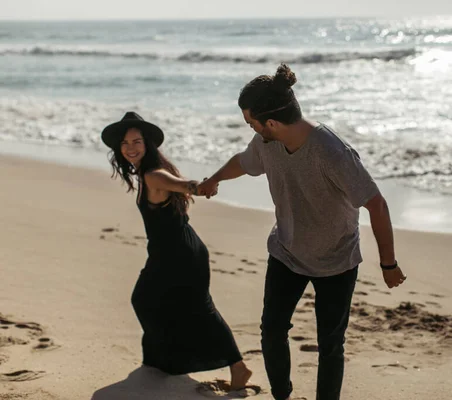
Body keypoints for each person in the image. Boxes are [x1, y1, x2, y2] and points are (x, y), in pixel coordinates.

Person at [197, 64, 407, 400]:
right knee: (272, 331)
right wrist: (215, 178)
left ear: (272, 122)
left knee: (330, 345)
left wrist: (388, 264)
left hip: (336, 260)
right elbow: (244, 160)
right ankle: (282, 395)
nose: (250, 127)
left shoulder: (332, 152)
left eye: (252, 122)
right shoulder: (267, 143)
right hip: (286, 251)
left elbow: (376, 204)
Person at [100, 112, 252, 390]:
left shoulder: (153, 174)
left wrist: (201, 186)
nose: (130, 147)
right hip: (168, 252)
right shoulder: (148, 172)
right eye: (124, 143)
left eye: (136, 141)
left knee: (197, 308)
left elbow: (183, 185)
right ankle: (164, 359)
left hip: (181, 255)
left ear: (147, 145)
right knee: (148, 300)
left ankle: (238, 368)